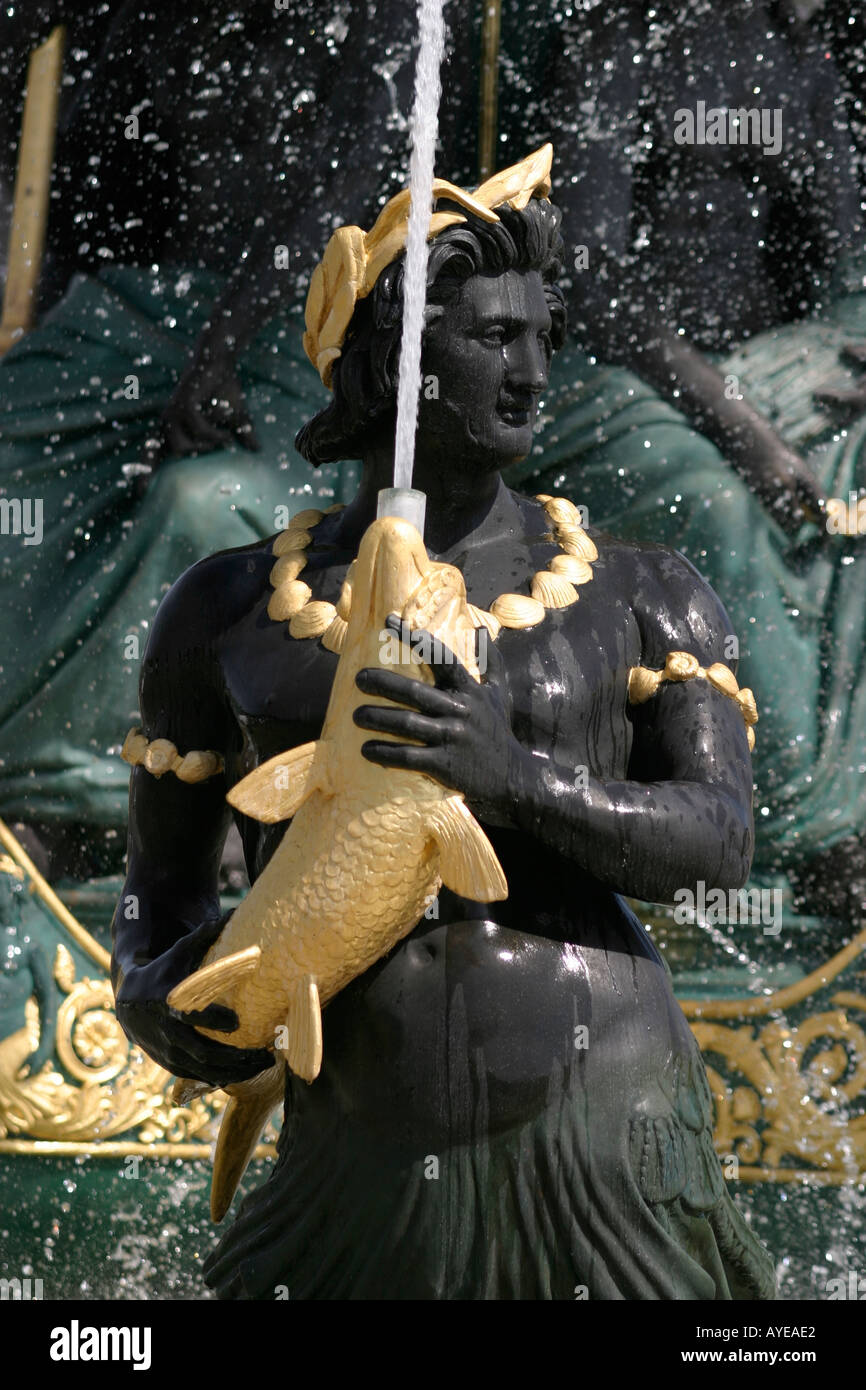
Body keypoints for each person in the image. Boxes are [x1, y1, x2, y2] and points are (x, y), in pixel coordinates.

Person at [112, 149, 775, 1299]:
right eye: (491, 341)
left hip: (600, 1127)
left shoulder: (641, 590)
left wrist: (508, 774)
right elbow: (158, 897)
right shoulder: (221, 610)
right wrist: (154, 1000)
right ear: (387, 368)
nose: (532, 373)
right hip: (355, 1139)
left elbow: (716, 837)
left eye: (542, 337)